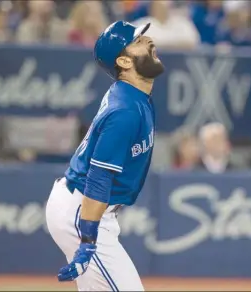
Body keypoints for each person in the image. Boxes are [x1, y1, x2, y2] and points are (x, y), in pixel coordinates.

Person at [45, 20, 165, 291]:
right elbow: (99, 177)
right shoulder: (126, 110)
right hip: (83, 209)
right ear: (123, 61)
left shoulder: (135, 95)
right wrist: (88, 241)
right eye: (137, 41)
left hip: (83, 206)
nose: (148, 42)